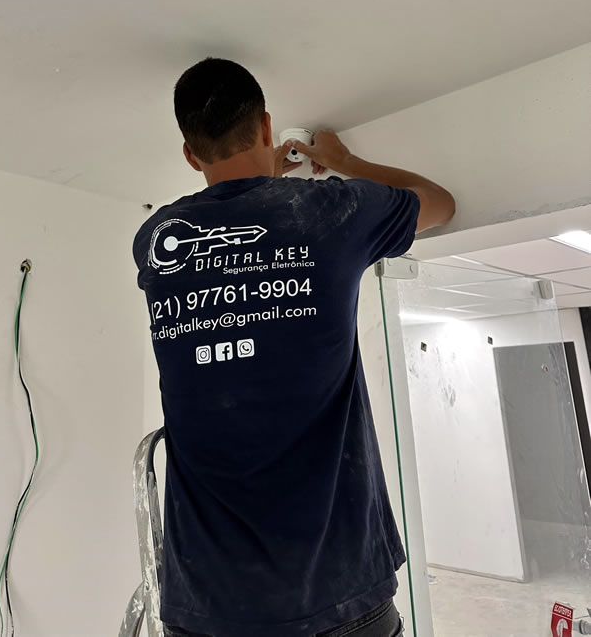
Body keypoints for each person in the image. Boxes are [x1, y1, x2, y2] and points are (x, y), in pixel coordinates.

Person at [133, 58, 455, 637]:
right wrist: (344, 162)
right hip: (340, 592)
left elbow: (239, 234)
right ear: (265, 126)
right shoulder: (330, 212)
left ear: (189, 155)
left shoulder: (157, 239)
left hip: (209, 603)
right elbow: (439, 203)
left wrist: (266, 187)